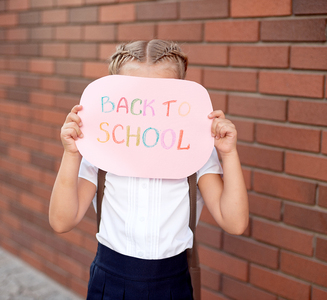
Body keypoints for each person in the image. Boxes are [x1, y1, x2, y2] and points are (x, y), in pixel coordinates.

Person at [49, 40, 249, 300]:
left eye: (161, 97)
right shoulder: (101, 149)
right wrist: (71, 154)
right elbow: (61, 221)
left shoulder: (195, 151)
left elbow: (234, 222)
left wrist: (229, 154)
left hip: (172, 283)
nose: (148, 109)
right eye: (136, 97)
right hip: (109, 280)